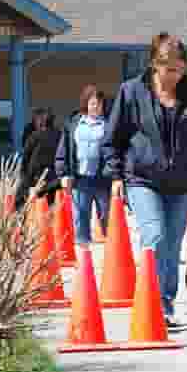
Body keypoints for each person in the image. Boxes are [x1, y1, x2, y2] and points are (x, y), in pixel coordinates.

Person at [101, 33, 187, 326]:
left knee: (172, 243)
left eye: (179, 69)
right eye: (168, 69)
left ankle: (164, 303)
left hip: (182, 182)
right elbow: (113, 138)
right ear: (154, 64)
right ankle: (151, 302)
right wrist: (115, 175)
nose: (174, 76)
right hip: (142, 179)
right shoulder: (132, 92)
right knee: (155, 235)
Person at [55, 85, 111, 250]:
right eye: (93, 103)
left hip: (103, 179)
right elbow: (63, 149)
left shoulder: (108, 124)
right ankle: (83, 249)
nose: (96, 107)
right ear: (86, 103)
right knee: (81, 215)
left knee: (107, 215)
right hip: (80, 179)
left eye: (99, 104)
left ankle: (111, 247)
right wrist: (63, 173)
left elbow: (115, 151)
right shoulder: (74, 124)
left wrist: (115, 175)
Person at [14, 108, 61, 210]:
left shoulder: (35, 135)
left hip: (36, 175)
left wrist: (23, 174)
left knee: (26, 202)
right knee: (51, 203)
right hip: (53, 176)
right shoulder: (59, 135)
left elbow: (26, 155)